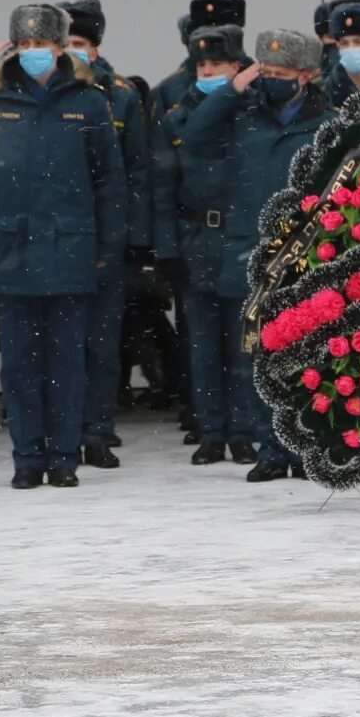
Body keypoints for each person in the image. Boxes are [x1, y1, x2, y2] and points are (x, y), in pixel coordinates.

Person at [0, 5, 125, 491]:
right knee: (18, 366)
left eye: (44, 44)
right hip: (8, 251)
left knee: (67, 362)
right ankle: (27, 458)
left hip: (68, 249)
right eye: (26, 44)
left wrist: (108, 246)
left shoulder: (89, 102)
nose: (36, 53)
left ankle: (63, 457)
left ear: (60, 47)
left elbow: (110, 183)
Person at [180, 29, 336, 482]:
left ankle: (306, 446)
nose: (270, 81)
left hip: (311, 257)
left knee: (310, 356)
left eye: (280, 74)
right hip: (253, 252)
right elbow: (195, 137)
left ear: (305, 76)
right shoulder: (243, 117)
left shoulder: (329, 122)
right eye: (264, 72)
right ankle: (271, 448)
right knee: (260, 357)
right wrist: (233, 88)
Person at [153, 24, 252, 466]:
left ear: (238, 67)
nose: (208, 70)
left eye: (217, 63)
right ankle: (211, 430)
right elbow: (161, 189)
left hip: (242, 239)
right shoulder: (175, 117)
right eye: (202, 64)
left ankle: (244, 430)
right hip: (196, 238)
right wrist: (166, 250)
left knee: (243, 346)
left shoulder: (252, 113)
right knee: (203, 345)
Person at [63, 0, 152, 470]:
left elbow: (136, 175)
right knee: (59, 341)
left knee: (100, 342)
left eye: (80, 43)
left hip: (104, 239)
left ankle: (97, 429)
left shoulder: (120, 97)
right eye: (65, 42)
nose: (72, 50)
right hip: (56, 238)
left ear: (94, 48)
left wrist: (133, 239)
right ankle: (61, 428)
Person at [152, 0, 245, 120]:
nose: (212, 37)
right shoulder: (168, 90)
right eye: (203, 30)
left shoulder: (261, 81)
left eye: (223, 31)